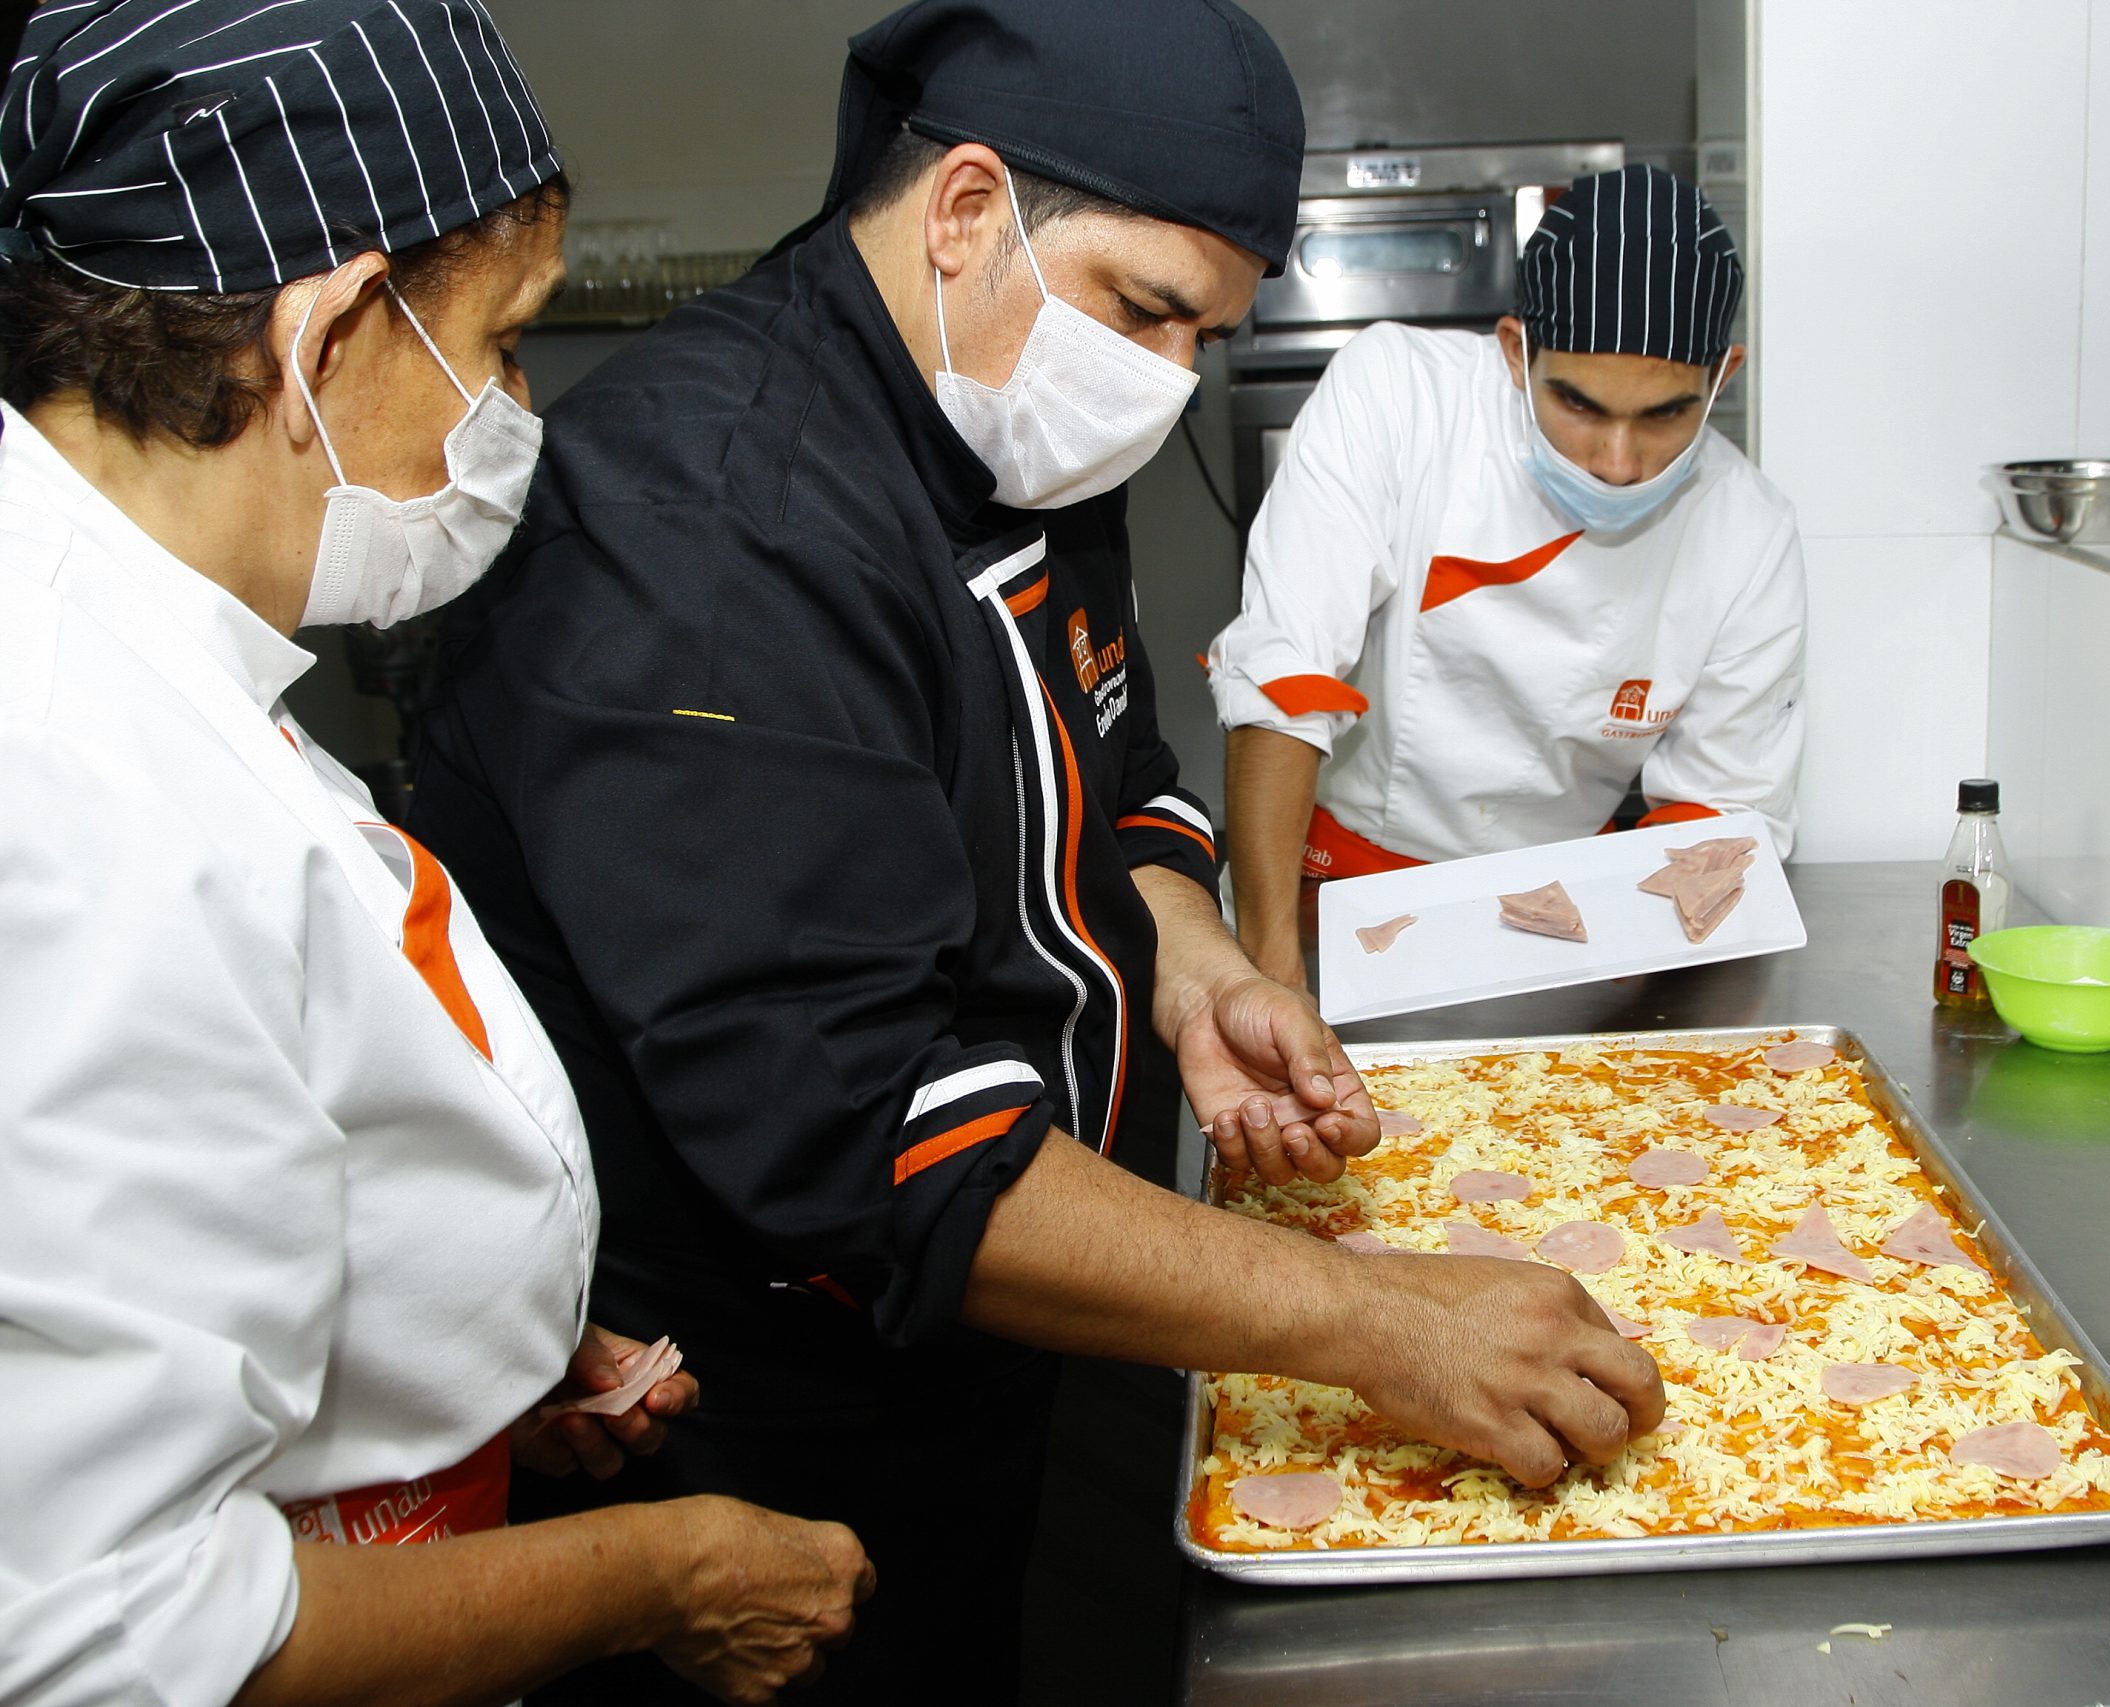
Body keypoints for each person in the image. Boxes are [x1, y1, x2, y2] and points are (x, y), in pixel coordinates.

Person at [407, 0, 1666, 1697]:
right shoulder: (708, 529)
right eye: (1146, 308)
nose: (1162, 375)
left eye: (1203, 338)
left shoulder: (1009, 392)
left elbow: (1119, 766)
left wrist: (1193, 958)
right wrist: (1387, 1319)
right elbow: (856, 1132)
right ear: (967, 210)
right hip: (740, 1383)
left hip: (1016, 1288)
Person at [0, 5, 872, 1702]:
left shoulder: (132, 642)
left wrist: (444, 1335)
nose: (509, 410)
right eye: (503, 338)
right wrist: (659, 1572)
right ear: (322, 332)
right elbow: (102, 1634)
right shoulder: (91, 806)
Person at [1208, 166, 1810, 987]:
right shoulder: (1400, 397)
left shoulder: (1749, 534)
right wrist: (1269, 972)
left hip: (1564, 915)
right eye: (1580, 405)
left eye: (1666, 413)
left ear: (1721, 381)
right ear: (1516, 354)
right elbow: (1285, 676)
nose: (1618, 463)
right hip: (1328, 891)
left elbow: (1723, 814)